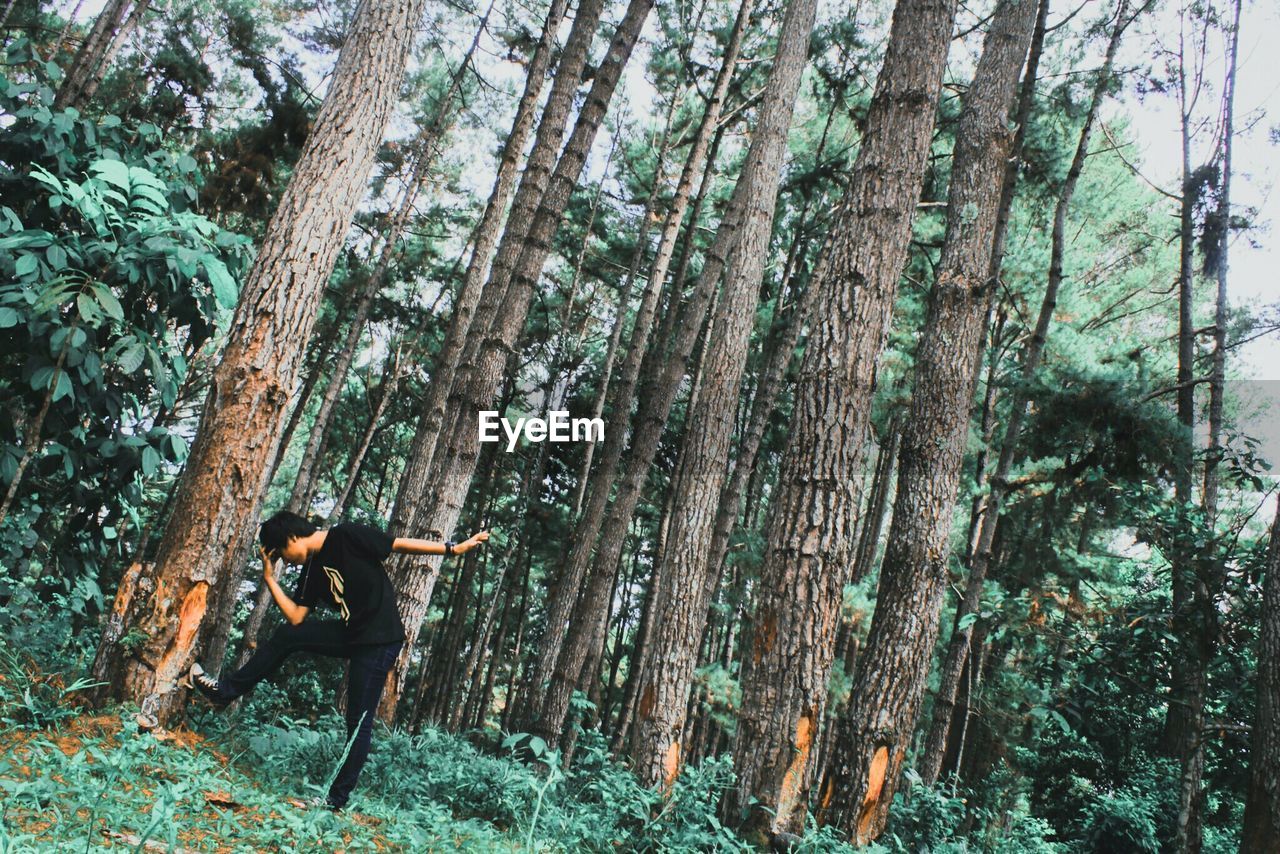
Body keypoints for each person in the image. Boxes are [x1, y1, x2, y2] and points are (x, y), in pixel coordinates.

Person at [186, 510, 490, 811]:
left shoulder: (346, 535)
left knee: (358, 722)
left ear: (293, 537)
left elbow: (398, 544)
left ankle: (335, 800)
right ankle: (223, 692)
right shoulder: (311, 570)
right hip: (351, 634)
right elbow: (296, 617)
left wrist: (453, 548)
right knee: (287, 635)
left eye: (281, 553)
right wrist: (268, 578)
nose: (285, 560)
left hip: (380, 640)